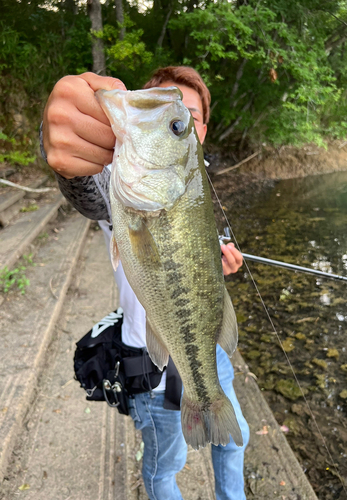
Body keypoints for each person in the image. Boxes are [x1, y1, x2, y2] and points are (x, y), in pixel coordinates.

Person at [41, 67, 250, 500]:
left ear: (201, 130)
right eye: (151, 99)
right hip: (152, 367)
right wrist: (59, 136)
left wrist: (224, 266)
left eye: (180, 120)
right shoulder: (121, 176)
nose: (166, 112)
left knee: (235, 440)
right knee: (164, 465)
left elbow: (197, 266)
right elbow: (86, 187)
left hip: (206, 351)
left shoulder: (194, 182)